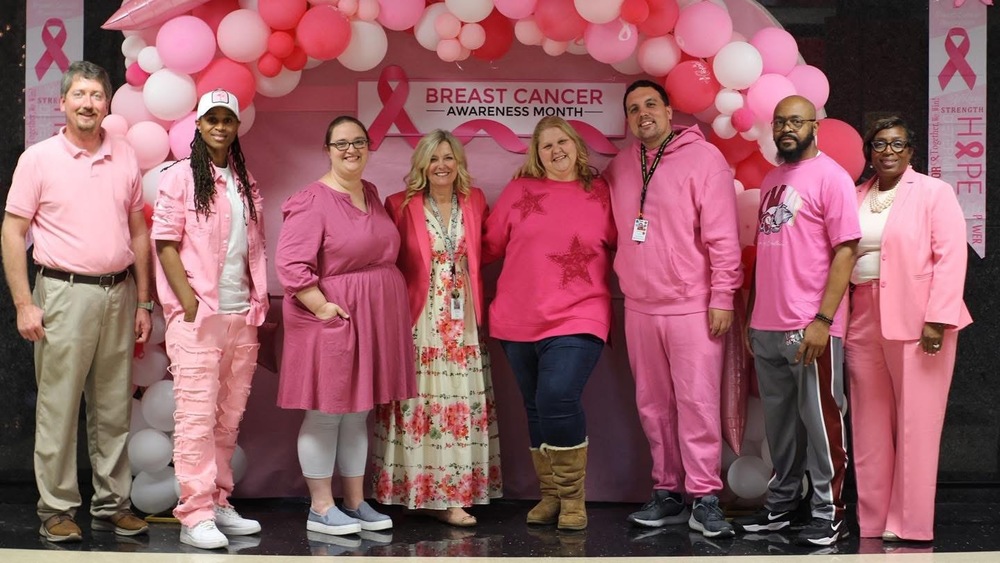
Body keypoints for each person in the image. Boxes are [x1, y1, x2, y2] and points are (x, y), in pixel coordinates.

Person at [1, 60, 151, 542]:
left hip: (119, 292)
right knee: (59, 406)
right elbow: (12, 230)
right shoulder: (39, 158)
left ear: (108, 104)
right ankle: (57, 509)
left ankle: (112, 504)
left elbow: (139, 229)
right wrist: (25, 303)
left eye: (97, 95)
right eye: (80, 95)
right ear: (63, 103)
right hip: (62, 292)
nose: (89, 103)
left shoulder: (125, 154)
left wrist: (145, 301)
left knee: (113, 407)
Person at [604, 79, 741, 538]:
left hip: (693, 306)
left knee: (697, 403)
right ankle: (668, 493)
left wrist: (722, 297)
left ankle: (705, 496)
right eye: (633, 108)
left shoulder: (704, 159)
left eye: (650, 104)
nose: (642, 113)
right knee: (653, 405)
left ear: (668, 109)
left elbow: (723, 237)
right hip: (640, 306)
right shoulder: (621, 166)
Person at [275, 116, 416, 537]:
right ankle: (321, 508)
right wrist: (322, 308)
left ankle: (354, 502)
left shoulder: (369, 193)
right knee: (325, 414)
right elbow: (291, 265)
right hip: (332, 317)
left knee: (357, 414)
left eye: (358, 142)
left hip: (372, 316)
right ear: (328, 149)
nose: (351, 150)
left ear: (369, 147)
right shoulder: (311, 200)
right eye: (341, 143)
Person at [736, 95, 860, 547]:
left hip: (810, 327)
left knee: (822, 422)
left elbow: (846, 250)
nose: (787, 128)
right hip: (767, 327)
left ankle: (830, 514)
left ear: (815, 126)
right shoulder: (773, 177)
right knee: (780, 426)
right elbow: (766, 256)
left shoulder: (832, 178)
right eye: (780, 122)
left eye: (796, 121)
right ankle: (783, 506)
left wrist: (823, 320)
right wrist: (752, 314)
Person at [483, 116, 616, 531]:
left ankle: (574, 499)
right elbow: (489, 245)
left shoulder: (602, 193)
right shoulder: (521, 190)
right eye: (545, 146)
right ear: (536, 155)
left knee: (557, 395)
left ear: (576, 145)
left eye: (562, 142)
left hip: (581, 313)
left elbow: (629, 241)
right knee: (537, 405)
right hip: (517, 318)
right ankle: (552, 496)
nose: (555, 150)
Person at [151, 89, 269, 550]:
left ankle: (218, 501)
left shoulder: (243, 180)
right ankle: (194, 512)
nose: (220, 126)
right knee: (197, 419)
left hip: (242, 313)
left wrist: (255, 301)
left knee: (228, 417)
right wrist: (189, 302)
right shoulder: (180, 177)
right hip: (199, 318)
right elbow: (164, 242)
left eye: (228, 119)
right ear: (198, 125)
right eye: (212, 119)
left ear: (237, 126)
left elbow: (251, 248)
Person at [845, 116, 972, 543]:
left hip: (921, 320)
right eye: (880, 144)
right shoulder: (857, 194)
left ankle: (911, 524)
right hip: (861, 316)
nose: (888, 152)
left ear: (912, 151)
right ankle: (874, 521)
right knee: (867, 424)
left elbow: (951, 258)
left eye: (898, 145)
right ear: (870, 151)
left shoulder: (934, 193)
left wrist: (938, 319)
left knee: (917, 423)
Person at [371, 130, 502, 526]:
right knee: (422, 401)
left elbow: (488, 248)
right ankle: (420, 491)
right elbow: (386, 260)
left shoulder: (475, 200)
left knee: (459, 400)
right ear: (421, 165)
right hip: (419, 318)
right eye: (433, 158)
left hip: (463, 319)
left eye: (449, 157)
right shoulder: (399, 204)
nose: (442, 165)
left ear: (459, 162)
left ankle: (456, 493)